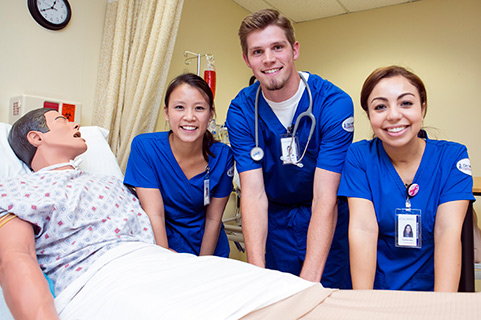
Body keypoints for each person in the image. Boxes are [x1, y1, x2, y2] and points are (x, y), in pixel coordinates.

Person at [0, 108, 316, 319]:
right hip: (102, 280)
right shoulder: (19, 192)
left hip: (165, 265)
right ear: (36, 138)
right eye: (62, 121)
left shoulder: (110, 183)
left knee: (280, 291)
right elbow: (15, 260)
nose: (75, 124)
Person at [226, 9, 354, 287]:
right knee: (274, 296)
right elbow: (253, 193)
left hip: (325, 217)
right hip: (275, 223)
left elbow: (324, 196)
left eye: (277, 47)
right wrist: (256, 274)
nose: (269, 58)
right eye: (257, 51)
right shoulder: (241, 110)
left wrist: (308, 282)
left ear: (294, 50)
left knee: (326, 300)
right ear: (247, 60)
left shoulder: (333, 103)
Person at [338, 65, 475, 291]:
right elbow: (363, 230)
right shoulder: (359, 156)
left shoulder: (452, 157)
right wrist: (364, 303)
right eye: (380, 106)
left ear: (422, 108)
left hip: (433, 287)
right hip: (376, 287)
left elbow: (447, 232)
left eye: (406, 103)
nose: (393, 115)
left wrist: (442, 306)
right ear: (369, 115)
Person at [124, 73, 234, 257]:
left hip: (210, 250)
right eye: (179, 107)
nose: (189, 117)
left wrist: (203, 264)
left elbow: (214, 218)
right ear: (167, 113)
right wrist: (166, 258)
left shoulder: (223, 156)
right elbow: (155, 213)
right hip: (164, 245)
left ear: (210, 114)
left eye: (199, 108)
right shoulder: (145, 148)